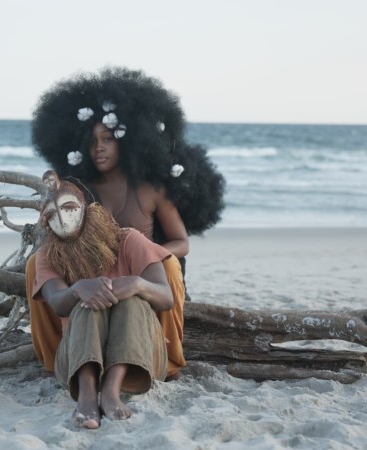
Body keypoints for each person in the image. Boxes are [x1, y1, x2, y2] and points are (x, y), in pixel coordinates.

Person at [26, 67, 225, 379]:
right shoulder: (77, 187)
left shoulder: (151, 188)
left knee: (171, 263)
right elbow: (58, 236)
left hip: (141, 270)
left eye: (107, 139)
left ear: (129, 141)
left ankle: (169, 356)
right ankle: (54, 355)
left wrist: (144, 254)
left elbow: (182, 243)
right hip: (92, 274)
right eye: (91, 141)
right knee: (33, 264)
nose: (99, 148)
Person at [31, 171, 173, 428]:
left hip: (141, 359)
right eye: (52, 214)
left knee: (132, 300)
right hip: (74, 362)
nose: (62, 219)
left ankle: (111, 391)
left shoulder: (128, 239)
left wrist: (136, 284)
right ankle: (86, 394)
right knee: (87, 300)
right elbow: (56, 301)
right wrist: (77, 290)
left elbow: (166, 297)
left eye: (69, 208)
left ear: (85, 207)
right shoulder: (47, 255)